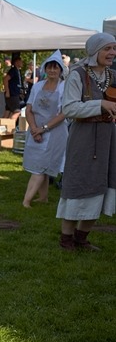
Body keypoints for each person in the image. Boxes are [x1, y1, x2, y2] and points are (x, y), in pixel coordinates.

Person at [56, 32, 116, 250]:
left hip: (108, 138)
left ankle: (81, 238)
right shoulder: (78, 75)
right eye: (107, 49)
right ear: (95, 51)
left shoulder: (113, 76)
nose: (112, 53)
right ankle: (66, 239)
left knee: (102, 184)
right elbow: (69, 108)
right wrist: (100, 105)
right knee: (79, 184)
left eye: (114, 48)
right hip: (83, 137)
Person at [22, 51, 67, 208]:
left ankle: (26, 200)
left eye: (56, 68)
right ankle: (43, 197)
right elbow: (28, 109)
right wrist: (34, 128)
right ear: (45, 69)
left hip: (54, 132)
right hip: (35, 130)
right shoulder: (38, 86)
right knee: (40, 165)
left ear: (61, 70)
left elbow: (64, 113)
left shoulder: (64, 87)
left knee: (41, 167)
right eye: (50, 67)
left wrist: (44, 128)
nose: (52, 71)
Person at [3, 54, 24, 119]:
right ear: (16, 62)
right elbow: (6, 79)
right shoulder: (13, 70)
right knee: (17, 111)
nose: (22, 63)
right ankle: (10, 126)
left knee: (8, 111)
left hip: (16, 93)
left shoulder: (18, 71)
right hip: (12, 94)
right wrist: (7, 91)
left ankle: (3, 125)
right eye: (20, 61)